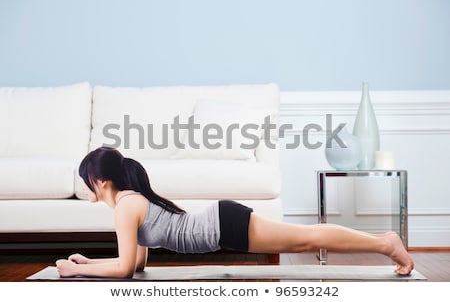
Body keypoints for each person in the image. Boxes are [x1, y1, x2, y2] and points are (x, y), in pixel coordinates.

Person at [56, 147, 414, 278]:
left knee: (306, 239)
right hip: (222, 222)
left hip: (223, 225)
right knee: (305, 240)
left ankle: (385, 244)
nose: (86, 187)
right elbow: (134, 265)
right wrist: (87, 265)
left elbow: (122, 269)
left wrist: (78, 270)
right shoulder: (132, 203)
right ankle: (383, 242)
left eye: (87, 180)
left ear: (100, 181)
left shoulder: (126, 206)